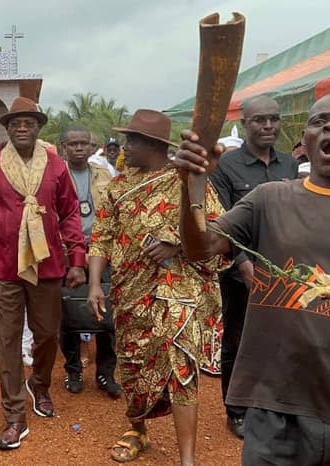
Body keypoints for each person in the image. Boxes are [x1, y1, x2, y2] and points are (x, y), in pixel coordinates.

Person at [174, 92, 330, 465]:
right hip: (277, 405)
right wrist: (191, 183)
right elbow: (199, 248)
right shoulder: (268, 199)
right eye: (320, 121)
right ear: (305, 141)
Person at [87, 110, 225, 465]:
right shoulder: (118, 186)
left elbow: (216, 228)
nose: (125, 147)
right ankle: (138, 430)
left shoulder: (187, 180)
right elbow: (101, 238)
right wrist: (94, 285)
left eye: (132, 140)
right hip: (129, 289)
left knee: (182, 365)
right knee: (132, 363)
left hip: (177, 288)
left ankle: (187, 459)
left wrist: (178, 244)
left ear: (153, 145)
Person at [0, 96, 86, 450]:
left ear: (38, 127)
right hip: (2, 268)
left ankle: (41, 384)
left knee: (48, 334)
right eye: (16, 122)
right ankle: (15, 415)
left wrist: (76, 258)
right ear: (6, 128)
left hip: (47, 265)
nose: (22, 127)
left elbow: (70, 213)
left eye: (29, 122)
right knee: (6, 340)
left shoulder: (56, 166)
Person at [208, 94, 299, 439]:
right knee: (238, 340)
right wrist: (243, 265)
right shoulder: (227, 167)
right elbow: (220, 221)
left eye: (274, 119)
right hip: (239, 271)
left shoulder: (289, 165)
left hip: (282, 268)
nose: (268, 126)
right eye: (260, 120)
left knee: (278, 339)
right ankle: (236, 410)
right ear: (245, 124)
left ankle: (271, 405)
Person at [57, 124, 121, 397]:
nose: (79, 148)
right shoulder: (55, 174)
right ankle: (73, 371)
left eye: (84, 143)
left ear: (92, 146)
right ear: (64, 147)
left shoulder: (105, 174)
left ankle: (106, 374)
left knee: (106, 313)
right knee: (69, 314)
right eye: (73, 144)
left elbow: (115, 212)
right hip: (66, 251)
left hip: (101, 251)